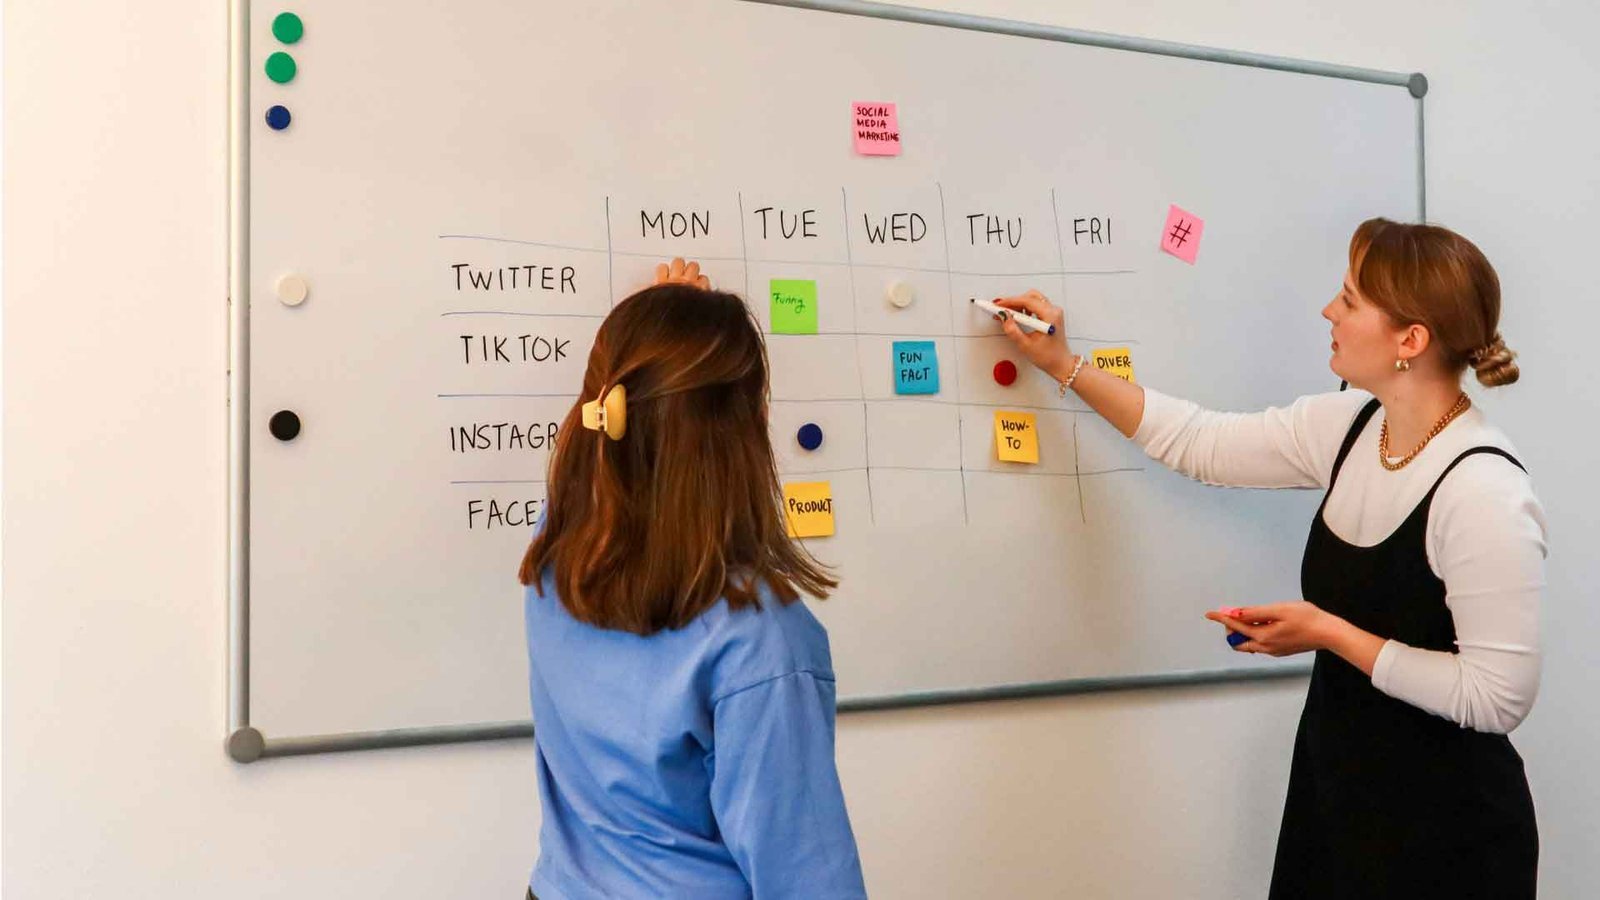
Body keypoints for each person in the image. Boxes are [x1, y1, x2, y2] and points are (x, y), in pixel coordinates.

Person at [996, 219, 1544, 897]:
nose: (1328, 311)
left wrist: (1329, 633)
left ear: (1410, 340)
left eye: (1349, 299)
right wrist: (1062, 364)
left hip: (1449, 833)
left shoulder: (1483, 490)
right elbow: (1198, 442)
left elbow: (1496, 699)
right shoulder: (1353, 426)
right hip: (1337, 797)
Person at [517, 259, 867, 899]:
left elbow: (609, 439)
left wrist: (654, 333)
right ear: (745, 430)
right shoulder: (759, 639)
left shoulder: (558, 550)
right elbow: (808, 879)